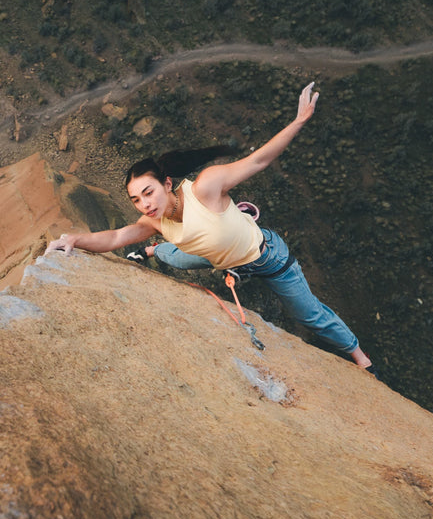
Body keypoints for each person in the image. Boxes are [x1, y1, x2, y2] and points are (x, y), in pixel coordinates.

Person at [46, 83, 373, 372]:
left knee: (308, 316)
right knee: (175, 256)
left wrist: (299, 121)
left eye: (149, 192)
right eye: (136, 200)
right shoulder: (152, 221)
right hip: (219, 257)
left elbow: (258, 160)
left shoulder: (205, 187)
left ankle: (361, 358)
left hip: (268, 260)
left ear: (166, 184)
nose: (145, 204)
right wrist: (76, 239)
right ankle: (152, 250)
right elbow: (117, 236)